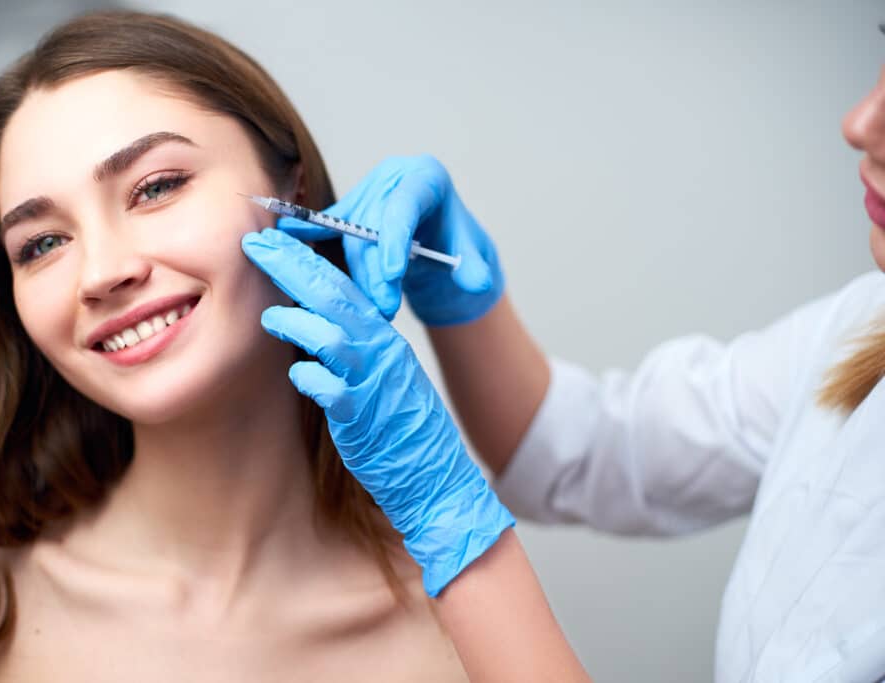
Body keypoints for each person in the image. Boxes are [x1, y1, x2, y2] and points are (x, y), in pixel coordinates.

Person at [0, 10, 590, 683]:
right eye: (43, 243)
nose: (102, 271)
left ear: (291, 196)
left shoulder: (470, 630)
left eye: (156, 187)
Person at [265, 27, 885, 683]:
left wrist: (444, 509)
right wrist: (457, 305)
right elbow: (587, 449)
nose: (858, 124)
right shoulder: (860, 326)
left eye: (185, 182)